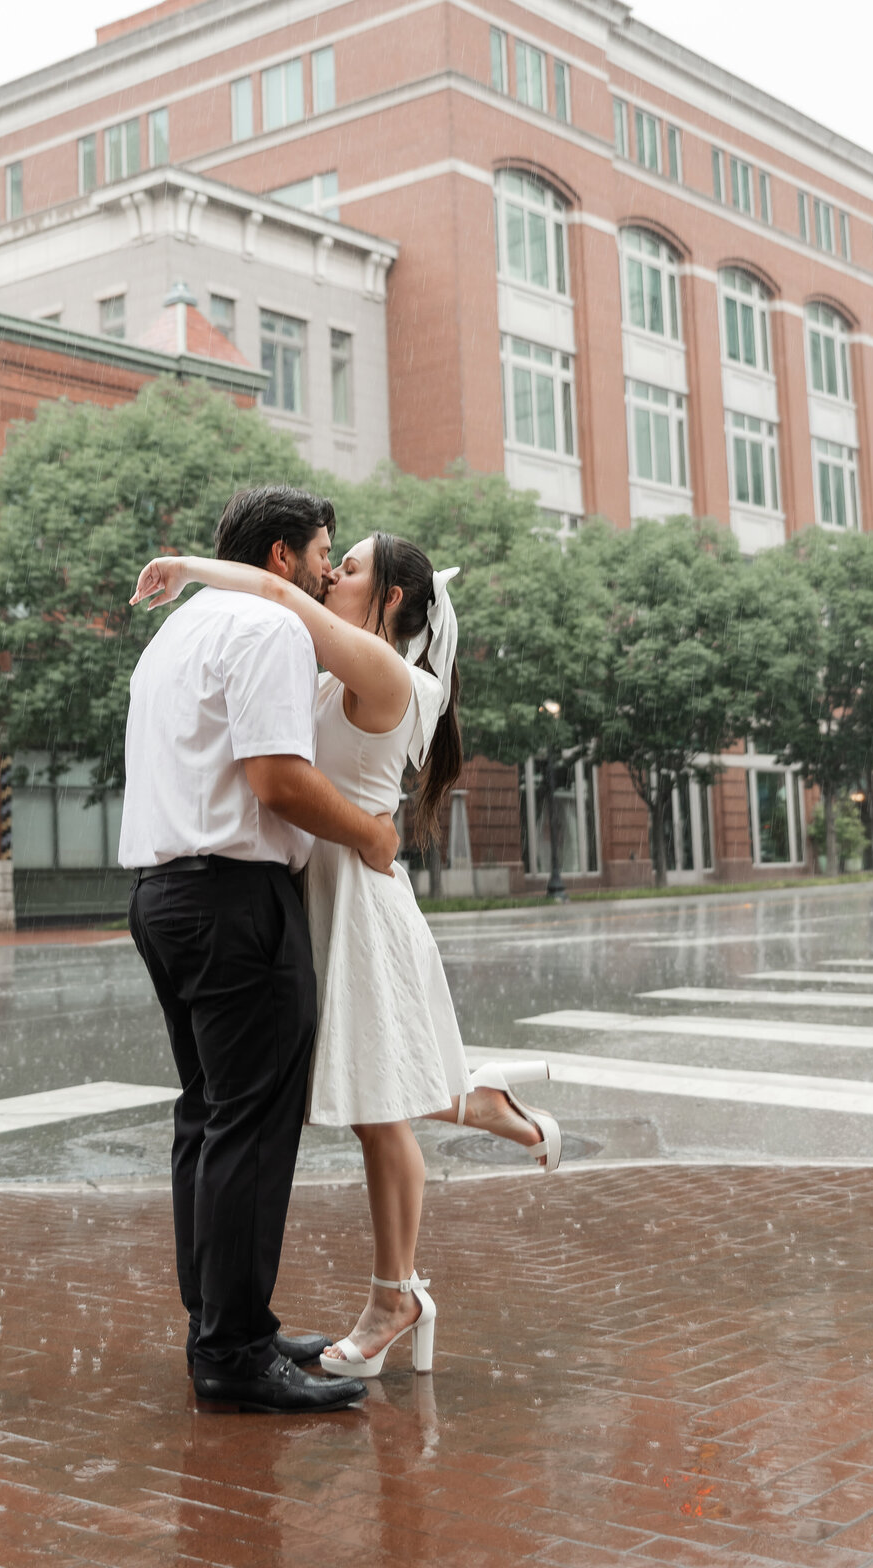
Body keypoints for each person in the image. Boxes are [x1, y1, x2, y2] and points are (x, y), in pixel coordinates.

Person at [132, 528, 562, 1382]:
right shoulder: (334, 668)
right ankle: (481, 1099)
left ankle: (394, 1295)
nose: (334, 574)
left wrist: (188, 569)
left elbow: (283, 595)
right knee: (361, 1079)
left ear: (392, 600)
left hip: (357, 899)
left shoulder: (389, 674)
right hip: (308, 891)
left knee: (375, 1109)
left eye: (353, 566)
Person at [120, 485, 400, 1415]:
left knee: (206, 1117)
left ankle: (222, 1322)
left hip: (163, 895)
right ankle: (234, 1354)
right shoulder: (272, 631)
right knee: (247, 1124)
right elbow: (278, 780)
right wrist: (365, 830)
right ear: (282, 556)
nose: (328, 571)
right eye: (323, 553)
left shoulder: (175, 635)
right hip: (235, 900)